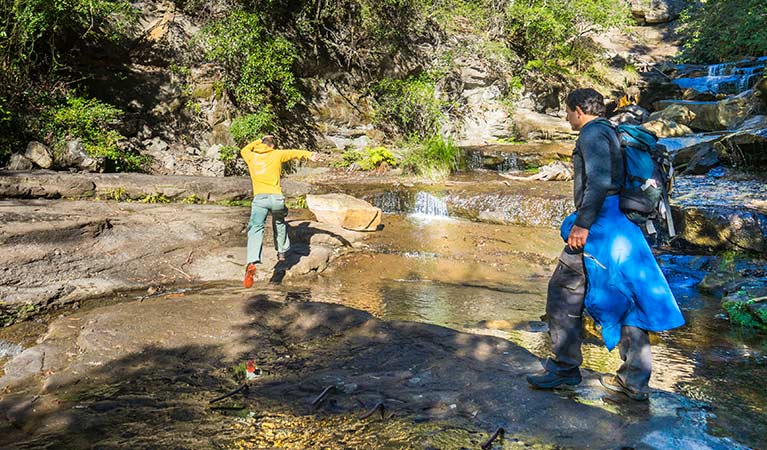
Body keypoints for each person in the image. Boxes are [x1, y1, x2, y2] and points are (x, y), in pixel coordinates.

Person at [526, 88, 685, 401]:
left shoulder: (591, 134)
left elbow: (599, 182)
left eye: (567, 111)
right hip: (620, 227)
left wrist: (583, 225)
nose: (566, 117)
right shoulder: (611, 131)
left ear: (578, 110)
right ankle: (634, 382)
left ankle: (565, 369)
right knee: (629, 298)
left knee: (563, 292)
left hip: (600, 226)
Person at [240, 134, 319, 288]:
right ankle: (281, 253)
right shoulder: (277, 154)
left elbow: (244, 149)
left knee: (256, 228)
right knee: (279, 222)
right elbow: (295, 152)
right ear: (273, 146)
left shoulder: (251, 156)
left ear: (261, 145)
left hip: (260, 200)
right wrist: (311, 155)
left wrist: (259, 140)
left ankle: (252, 260)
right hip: (276, 199)